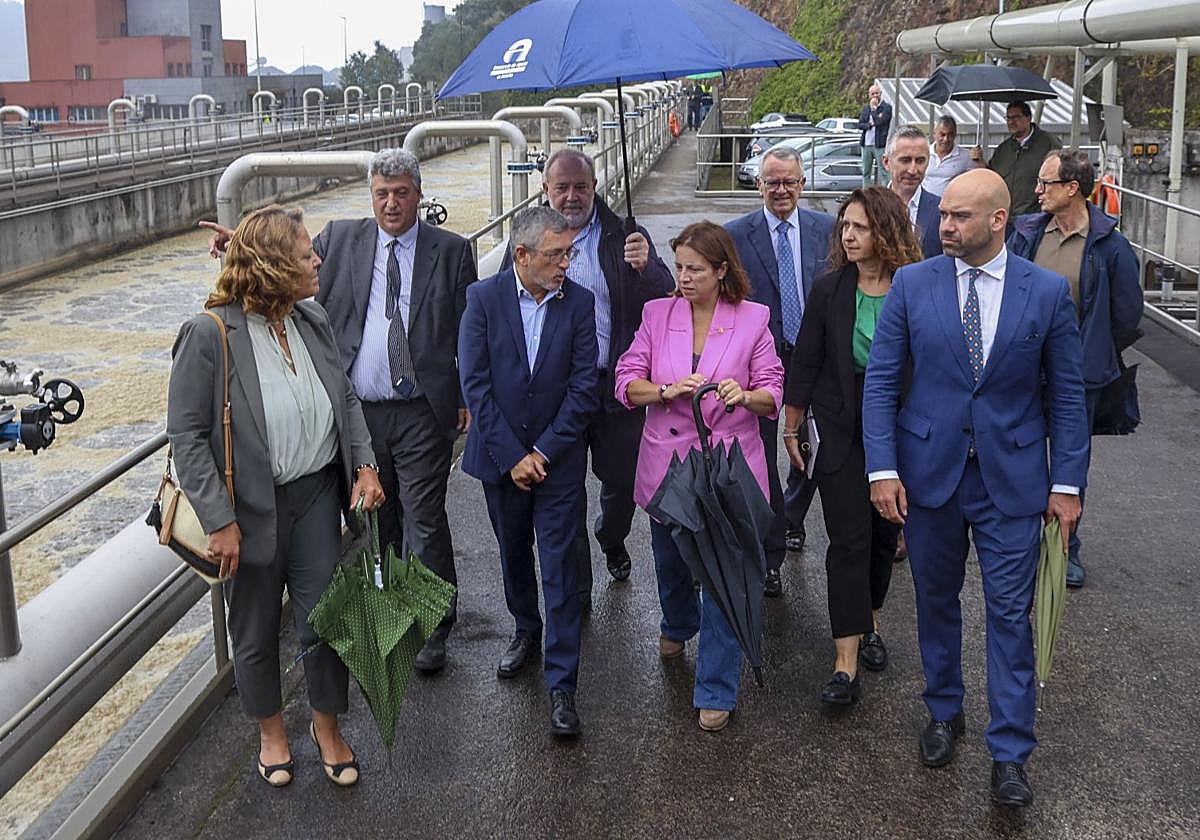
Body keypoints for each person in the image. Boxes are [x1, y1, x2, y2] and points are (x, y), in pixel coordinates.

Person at [200, 149, 477, 676]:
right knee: (378, 522)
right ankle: (395, 615)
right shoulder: (340, 239)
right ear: (370, 196)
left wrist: (464, 393)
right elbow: (280, 262)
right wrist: (237, 244)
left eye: (401, 193)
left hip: (421, 411)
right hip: (358, 414)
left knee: (423, 519)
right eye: (381, 193)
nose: (391, 203)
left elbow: (467, 326)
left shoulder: (452, 251)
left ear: (419, 196)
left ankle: (434, 626)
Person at [862, 169, 1090, 807]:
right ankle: (943, 710)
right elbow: (881, 384)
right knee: (934, 602)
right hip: (928, 476)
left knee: (1010, 618)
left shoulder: (1044, 293)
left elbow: (1068, 398)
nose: (945, 226)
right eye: (943, 215)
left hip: (1013, 483)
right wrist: (883, 470)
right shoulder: (913, 283)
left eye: (959, 217)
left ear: (998, 221)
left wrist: (1067, 484)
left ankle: (1011, 752)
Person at [169, 205, 386, 789]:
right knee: (256, 630)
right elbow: (187, 438)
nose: (317, 259)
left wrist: (363, 464)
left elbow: (343, 399)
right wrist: (218, 519)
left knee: (326, 622)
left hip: (317, 496)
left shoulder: (310, 318)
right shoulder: (208, 334)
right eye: (304, 255)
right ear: (271, 266)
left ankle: (327, 728)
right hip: (248, 514)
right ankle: (271, 733)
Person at [614, 221, 783, 733]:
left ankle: (716, 686)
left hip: (726, 473)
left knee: (723, 577)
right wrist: (665, 389)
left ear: (721, 271)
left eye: (694, 269)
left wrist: (743, 395)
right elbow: (626, 381)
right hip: (666, 468)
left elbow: (773, 391)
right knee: (670, 564)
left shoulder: (753, 319)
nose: (682, 277)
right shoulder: (656, 313)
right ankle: (676, 622)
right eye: (680, 266)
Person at [504, 148, 674, 593]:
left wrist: (648, 266)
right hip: (556, 393)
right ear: (545, 190)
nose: (572, 196)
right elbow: (509, 303)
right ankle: (576, 591)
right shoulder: (527, 240)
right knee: (565, 493)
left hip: (611, 383)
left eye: (581, 186)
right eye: (561, 188)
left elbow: (663, 301)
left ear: (595, 187)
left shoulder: (625, 233)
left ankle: (612, 535)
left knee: (621, 480)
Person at [458, 206, 598, 737]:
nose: (566, 263)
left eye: (570, 253)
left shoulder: (579, 305)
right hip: (500, 462)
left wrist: (542, 451)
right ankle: (525, 628)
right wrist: (511, 455)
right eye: (556, 254)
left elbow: (584, 388)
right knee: (514, 553)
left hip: (557, 463)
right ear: (521, 255)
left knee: (560, 568)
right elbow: (476, 385)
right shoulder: (483, 300)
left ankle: (563, 685)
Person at [782, 188, 924, 705]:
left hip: (902, 427)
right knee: (847, 538)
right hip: (841, 424)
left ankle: (872, 621)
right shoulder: (830, 288)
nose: (848, 235)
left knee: (885, 536)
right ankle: (845, 664)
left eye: (860, 227)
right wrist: (791, 425)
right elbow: (807, 360)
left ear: (886, 230)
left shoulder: (919, 286)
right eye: (845, 226)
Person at [1007, 147, 1144, 588]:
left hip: (1078, 373)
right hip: (1024, 367)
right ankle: (1022, 540)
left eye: (1046, 183)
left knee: (1069, 463)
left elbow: (1126, 314)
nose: (1037, 190)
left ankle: (1066, 549)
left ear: (1073, 189)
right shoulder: (1028, 233)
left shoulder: (1109, 245)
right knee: (1023, 452)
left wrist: (1094, 350)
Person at [725, 146, 835, 596]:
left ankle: (791, 515)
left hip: (814, 359)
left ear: (803, 183)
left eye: (790, 181)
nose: (782, 189)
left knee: (810, 450)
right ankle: (769, 554)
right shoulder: (735, 235)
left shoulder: (826, 230)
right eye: (773, 182)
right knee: (759, 460)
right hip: (760, 361)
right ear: (759, 185)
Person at [969, 101, 1061, 217]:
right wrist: (980, 161)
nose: (1011, 122)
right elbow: (993, 177)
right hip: (1006, 216)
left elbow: (1059, 176)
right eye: (1008, 118)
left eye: (1016, 117)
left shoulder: (1048, 143)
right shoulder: (1003, 149)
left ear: (1028, 118)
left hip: (1036, 217)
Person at [883, 124, 942, 258]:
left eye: (920, 161)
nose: (913, 170)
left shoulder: (941, 210)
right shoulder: (868, 208)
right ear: (886, 162)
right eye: (905, 160)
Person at [923, 115, 977, 197]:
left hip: (950, 206)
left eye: (950, 135)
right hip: (925, 204)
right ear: (934, 134)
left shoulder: (965, 156)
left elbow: (983, 175)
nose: (946, 139)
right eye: (942, 134)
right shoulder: (923, 153)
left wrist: (979, 160)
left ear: (955, 135)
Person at [858, 84, 893, 188]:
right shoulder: (865, 108)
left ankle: (885, 194)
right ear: (869, 95)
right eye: (872, 94)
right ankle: (866, 193)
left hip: (879, 144)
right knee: (866, 172)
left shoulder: (886, 108)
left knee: (884, 171)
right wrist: (869, 125)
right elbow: (860, 124)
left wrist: (874, 110)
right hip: (866, 144)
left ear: (880, 94)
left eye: (876, 93)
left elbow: (879, 122)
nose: (875, 96)